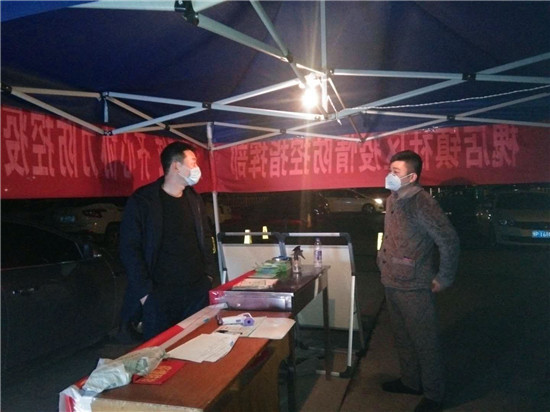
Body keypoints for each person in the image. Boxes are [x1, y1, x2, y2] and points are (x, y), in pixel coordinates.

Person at [377, 150, 460, 412]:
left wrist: (444, 277)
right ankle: (410, 382)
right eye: (390, 170)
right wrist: (381, 259)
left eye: (396, 172)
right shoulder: (393, 199)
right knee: (402, 337)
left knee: (425, 342)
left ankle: (435, 395)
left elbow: (448, 240)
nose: (390, 175)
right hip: (391, 280)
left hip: (414, 285)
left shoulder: (421, 202)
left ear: (412, 177)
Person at [118, 141, 217, 341]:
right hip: (159, 295)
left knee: (195, 346)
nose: (196, 168)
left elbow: (206, 237)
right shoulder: (143, 200)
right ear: (176, 166)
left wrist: (208, 276)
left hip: (195, 292)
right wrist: (145, 294)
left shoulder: (194, 199)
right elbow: (129, 248)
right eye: (192, 162)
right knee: (161, 350)